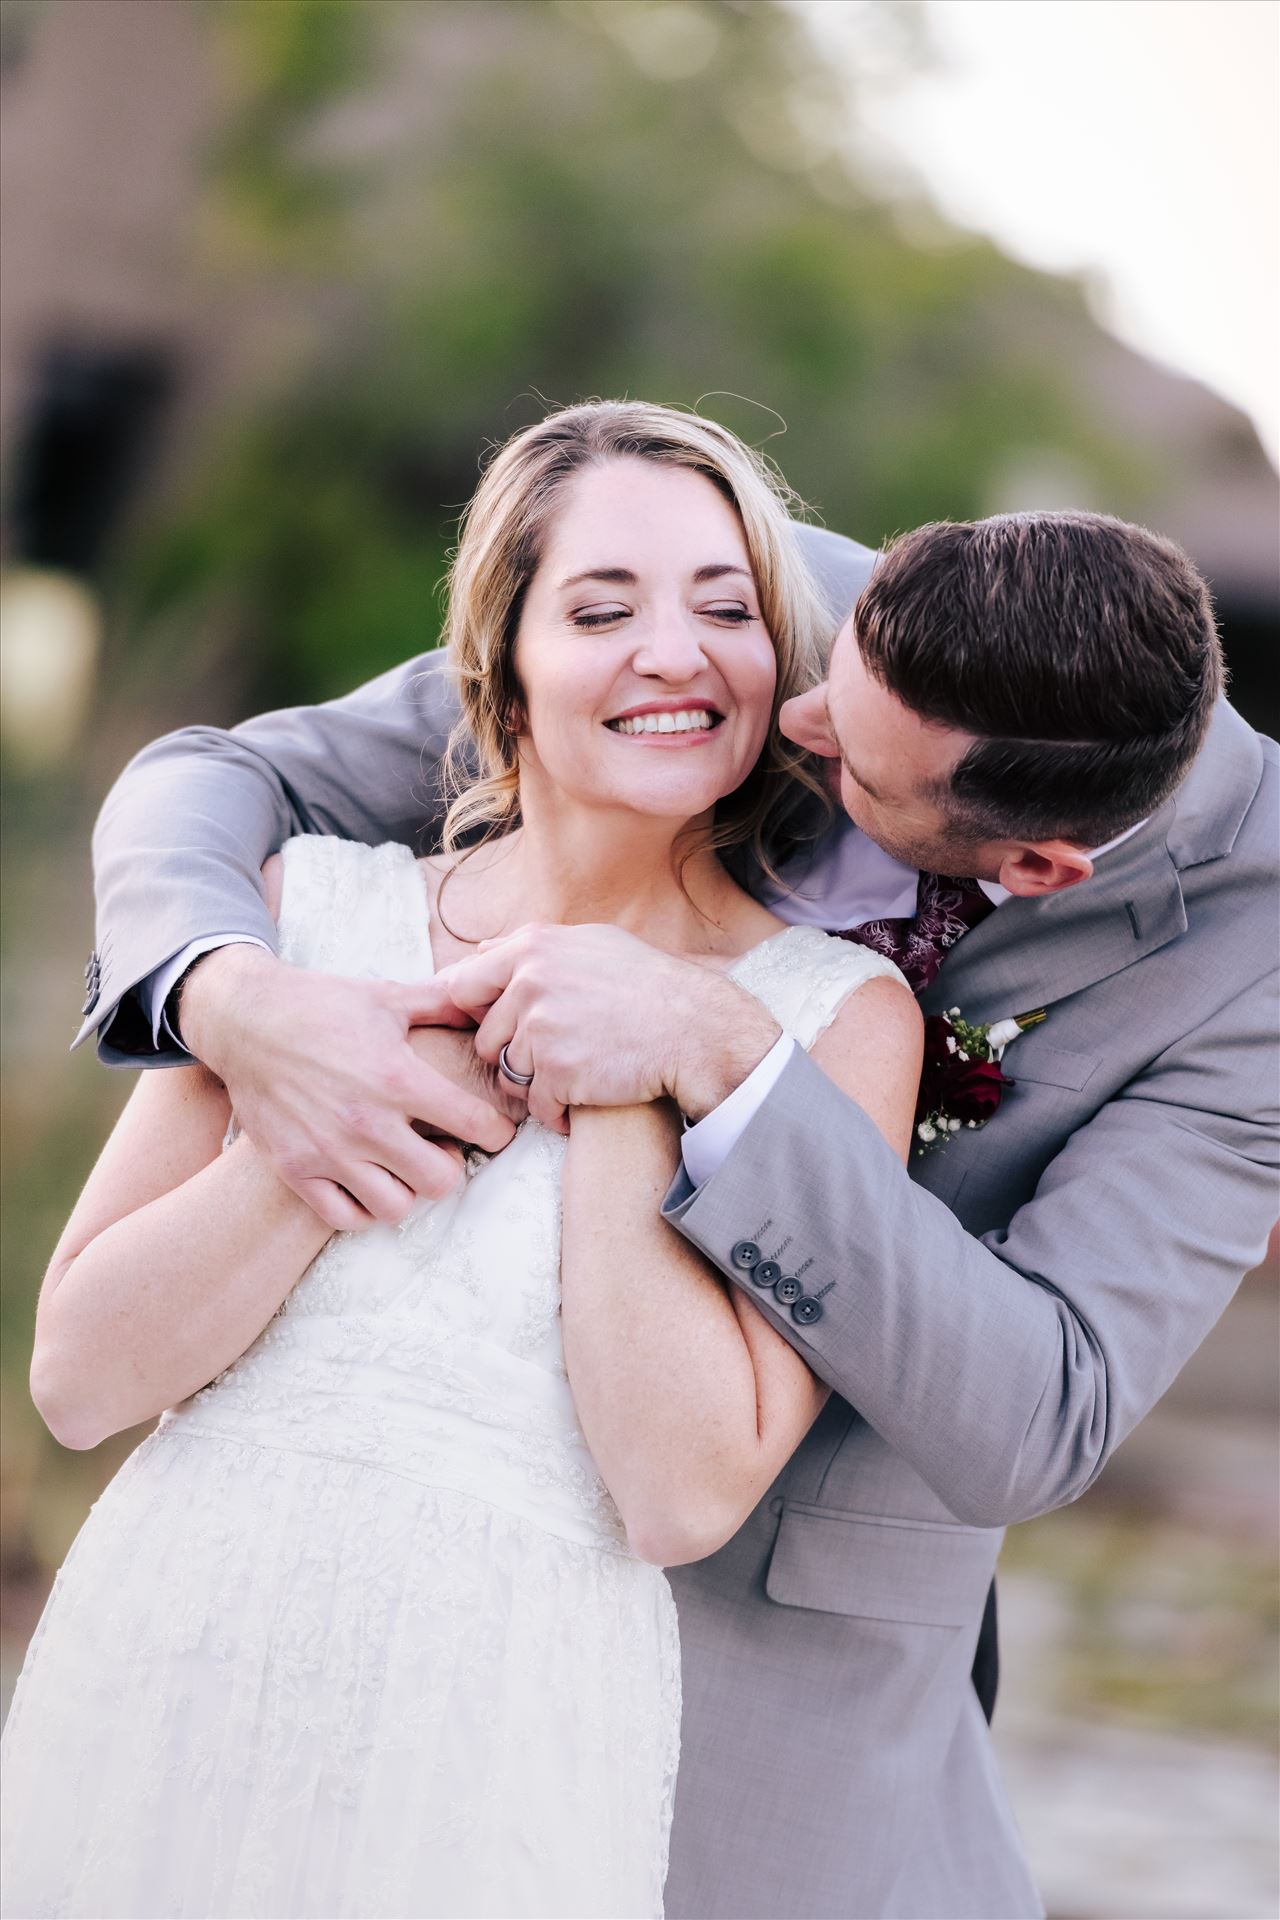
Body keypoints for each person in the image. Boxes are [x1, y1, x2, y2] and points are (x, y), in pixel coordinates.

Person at [49, 449, 1279, 1917]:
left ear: (1039, 866)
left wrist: (716, 1052)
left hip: (772, 1660)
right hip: (240, 1612)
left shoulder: (1247, 957)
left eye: (845, 765)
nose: (791, 720)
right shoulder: (725, 607)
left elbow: (1041, 1410)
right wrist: (227, 996)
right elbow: (222, 777)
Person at [1, 403, 922, 1920]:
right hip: (174, 1653)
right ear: (500, 663)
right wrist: (318, 1116)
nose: (675, 653)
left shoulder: (835, 1021)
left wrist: (634, 1064)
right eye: (602, 609)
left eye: (727, 606)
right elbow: (81, 1380)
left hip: (503, 1727)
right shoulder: (305, 917)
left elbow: (681, 1496)